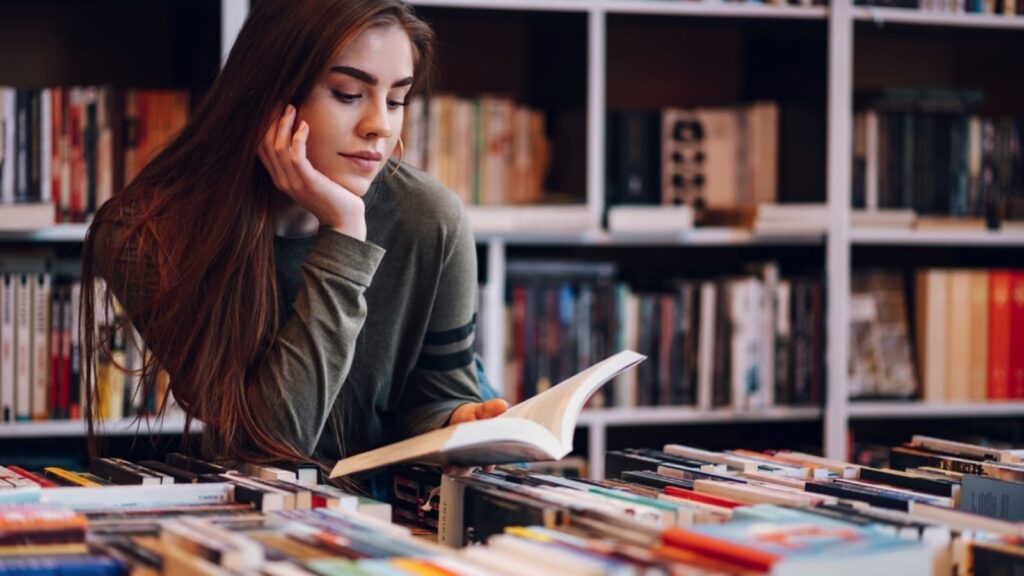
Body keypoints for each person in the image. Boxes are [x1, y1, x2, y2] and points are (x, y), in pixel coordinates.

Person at [81, 0, 508, 478]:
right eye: (348, 94)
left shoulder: (431, 219)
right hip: (263, 514)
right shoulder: (142, 235)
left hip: (401, 509)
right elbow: (271, 444)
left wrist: (458, 419)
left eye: (395, 100)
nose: (380, 127)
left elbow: (437, 395)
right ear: (269, 93)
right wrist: (345, 234)